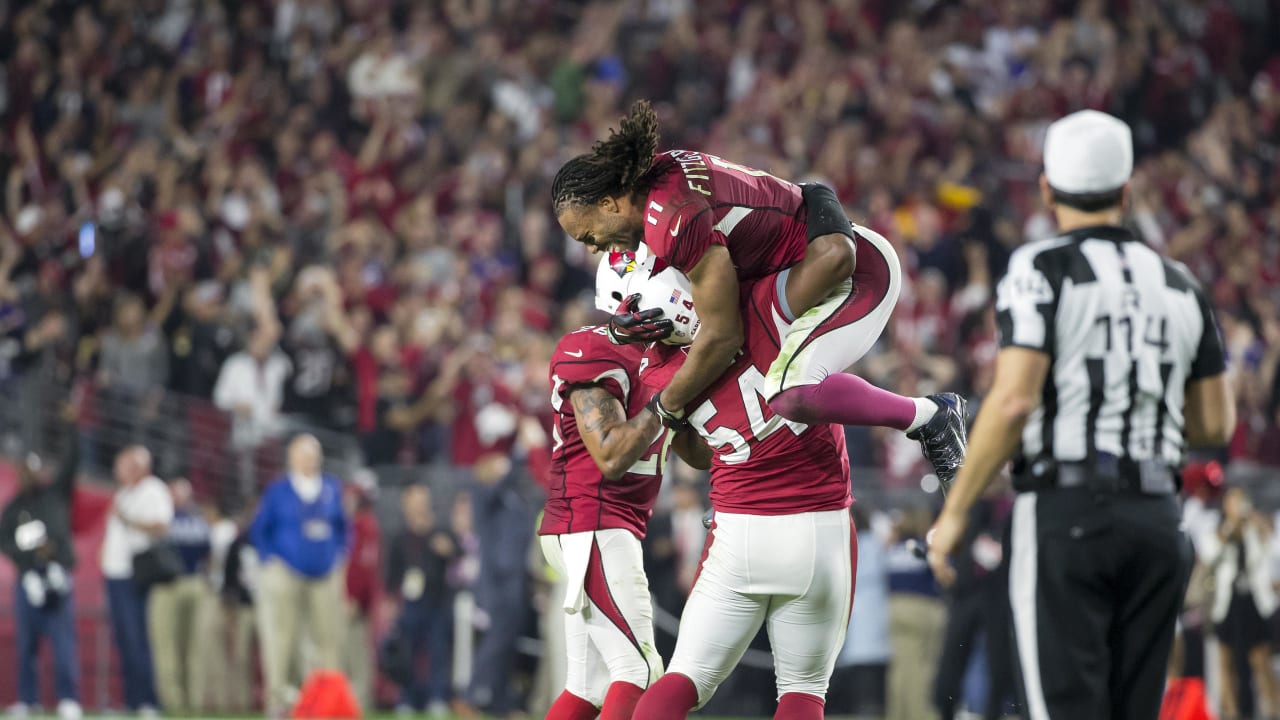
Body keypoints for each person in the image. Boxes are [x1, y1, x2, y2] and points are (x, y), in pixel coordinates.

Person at [927, 109, 1236, 719]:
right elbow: (1214, 423)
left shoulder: (1039, 267)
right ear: (1125, 192)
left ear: (1047, 187)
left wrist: (957, 512)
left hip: (1067, 513)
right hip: (1156, 517)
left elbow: (1014, 399)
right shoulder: (1179, 282)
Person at [550, 99, 967, 486]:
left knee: (792, 392)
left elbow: (827, 260)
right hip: (805, 270)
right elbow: (701, 448)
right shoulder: (661, 187)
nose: (591, 248)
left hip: (854, 275)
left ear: (609, 203)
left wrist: (666, 407)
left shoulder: (674, 223)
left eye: (587, 235)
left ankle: (930, 416)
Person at [623, 254, 858, 720]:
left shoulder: (658, 372)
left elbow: (693, 453)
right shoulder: (762, 308)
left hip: (738, 529)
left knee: (684, 676)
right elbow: (835, 259)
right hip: (817, 526)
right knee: (803, 689)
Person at [539, 253, 712, 720]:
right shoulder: (591, 348)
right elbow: (612, 455)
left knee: (588, 685)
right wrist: (669, 402)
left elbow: (695, 453)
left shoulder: (668, 357)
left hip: (605, 524)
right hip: (592, 520)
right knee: (639, 672)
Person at [250, 434, 350, 718]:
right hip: (286, 571)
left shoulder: (331, 487)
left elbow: (343, 526)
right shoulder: (279, 490)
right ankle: (277, 701)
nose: (308, 459)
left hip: (325, 572)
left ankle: (327, 702)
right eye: (302, 453)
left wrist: (340, 553)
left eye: (312, 453)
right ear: (291, 457)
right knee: (281, 637)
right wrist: (271, 559)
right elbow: (260, 530)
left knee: (328, 639)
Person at [0, 446, 82, 720]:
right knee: (26, 645)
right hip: (29, 580)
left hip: (57, 575)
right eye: (24, 470)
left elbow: (71, 461)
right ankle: (27, 699)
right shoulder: (13, 508)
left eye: (33, 470)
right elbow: (5, 543)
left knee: (63, 642)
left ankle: (69, 698)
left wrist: (72, 430)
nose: (28, 475)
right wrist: (28, 557)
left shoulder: (54, 494)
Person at [100, 445, 173, 717]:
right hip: (114, 572)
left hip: (135, 573)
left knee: (136, 638)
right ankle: (131, 700)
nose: (117, 471)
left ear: (137, 466)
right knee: (123, 640)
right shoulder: (123, 493)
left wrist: (129, 521)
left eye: (122, 465)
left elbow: (161, 526)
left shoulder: (153, 489)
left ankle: (147, 701)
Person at [1200, 486, 1279, 720]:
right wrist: (1229, 528)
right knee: (1227, 662)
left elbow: (1273, 552)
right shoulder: (1219, 529)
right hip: (1228, 604)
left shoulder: (1255, 528)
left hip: (1254, 602)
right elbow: (1209, 556)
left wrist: (1257, 523)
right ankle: (1230, 712)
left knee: (1261, 659)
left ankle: (1272, 710)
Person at [384, 483, 458, 716]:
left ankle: (437, 696)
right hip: (410, 602)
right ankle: (408, 698)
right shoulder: (399, 536)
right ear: (406, 505)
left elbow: (457, 553)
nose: (418, 507)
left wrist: (446, 547)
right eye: (414, 502)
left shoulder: (440, 530)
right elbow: (391, 572)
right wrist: (389, 601)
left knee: (438, 651)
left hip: (437, 599)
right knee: (408, 653)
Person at [147, 478, 212, 714]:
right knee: (175, 648)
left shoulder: (167, 521)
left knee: (179, 648)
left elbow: (209, 555)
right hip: (185, 584)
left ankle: (185, 703)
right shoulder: (198, 521)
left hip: (177, 585)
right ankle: (178, 703)